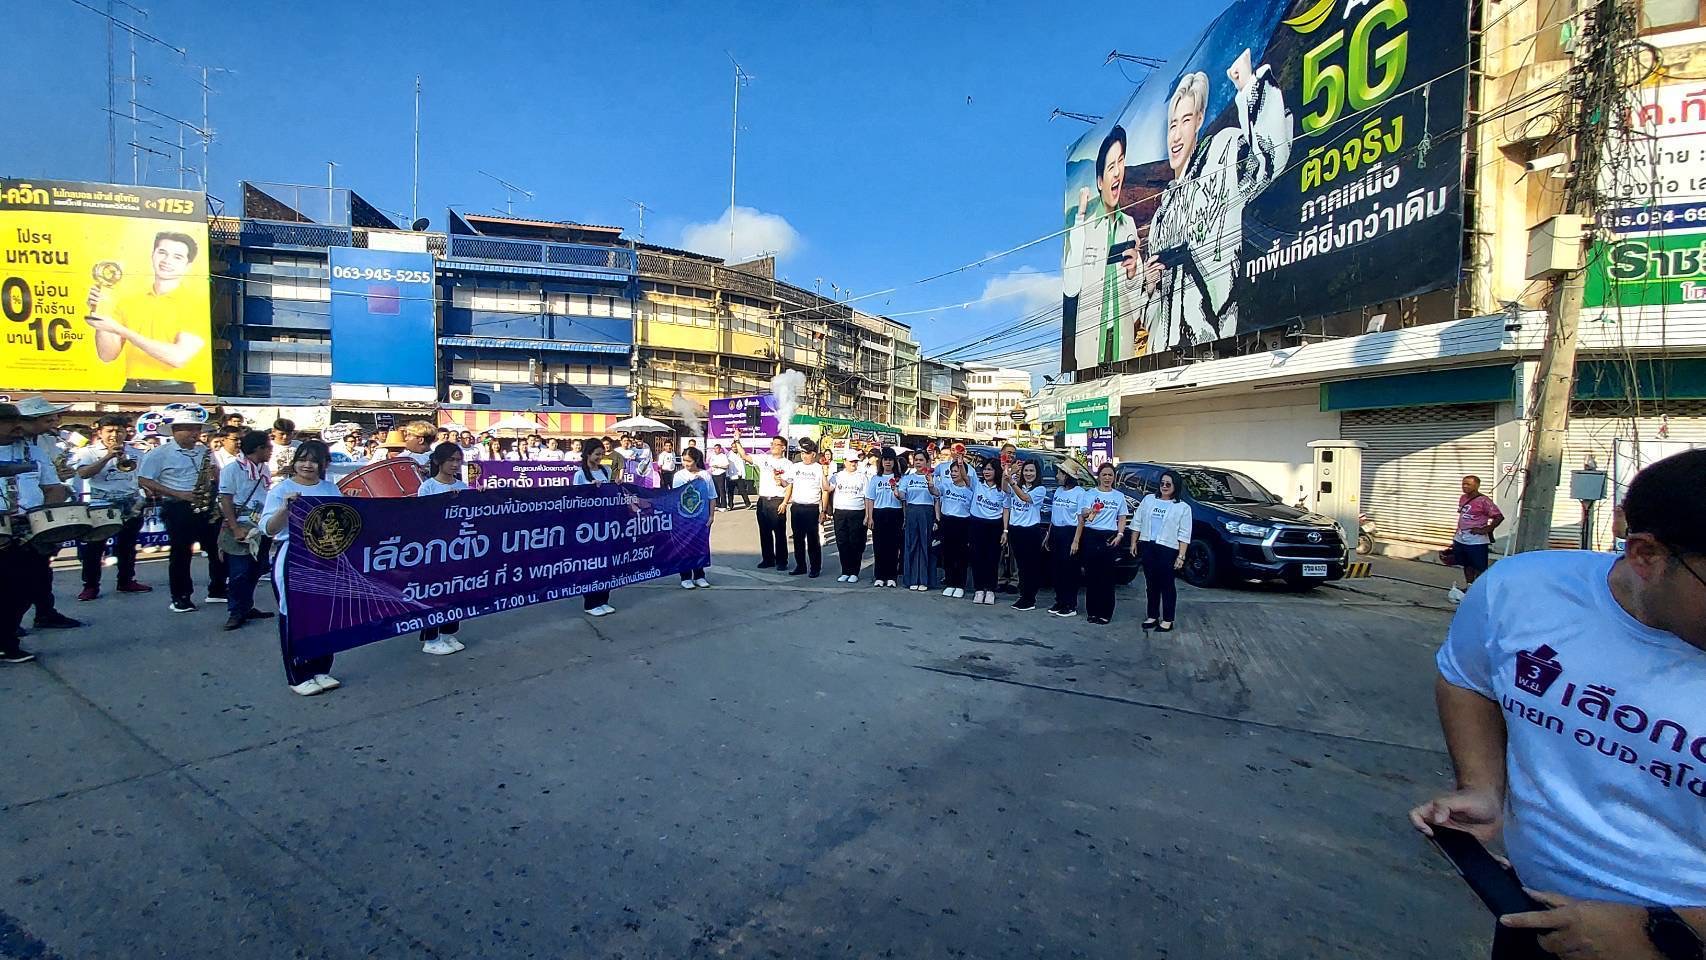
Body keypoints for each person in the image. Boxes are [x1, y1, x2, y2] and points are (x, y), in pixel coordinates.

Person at [1409, 450, 1706, 960]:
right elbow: (1466, 677)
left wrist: (1659, 933)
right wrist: (1483, 786)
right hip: (1537, 922)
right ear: (1646, 556)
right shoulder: (1522, 591)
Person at [1137, 49, 1291, 352]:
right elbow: (1146, 317)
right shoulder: (1161, 216)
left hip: (1217, 346)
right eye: (1171, 125)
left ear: (1199, 121)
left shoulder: (1221, 153)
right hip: (1163, 360)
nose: (1176, 135)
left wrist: (1248, 84)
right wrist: (1148, 284)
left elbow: (1271, 159)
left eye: (1185, 120)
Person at [260, 441, 343, 695]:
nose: (308, 465)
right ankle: (298, 674)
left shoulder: (331, 488)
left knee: (325, 614)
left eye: (315, 460)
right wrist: (286, 509)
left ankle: (321, 668)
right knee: (294, 614)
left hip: (327, 558)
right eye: (303, 459)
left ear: (324, 464)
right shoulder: (282, 489)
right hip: (294, 556)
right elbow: (268, 529)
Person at [84, 230, 209, 392]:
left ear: (188, 265)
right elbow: (107, 355)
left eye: (177, 257)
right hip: (131, 389)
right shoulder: (128, 302)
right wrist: (100, 314)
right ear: (152, 254)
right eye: (162, 252)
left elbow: (178, 358)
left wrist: (122, 331)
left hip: (176, 391)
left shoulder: (196, 305)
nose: (166, 261)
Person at [1063, 125, 1144, 365]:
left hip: (1123, 341)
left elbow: (1138, 300)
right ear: (1100, 181)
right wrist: (1080, 218)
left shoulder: (1129, 225)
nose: (1118, 172)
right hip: (1090, 343)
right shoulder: (1083, 225)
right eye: (1111, 167)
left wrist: (1132, 273)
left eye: (1121, 162)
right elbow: (1070, 287)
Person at [139, 410, 222, 613]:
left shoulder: (203, 451)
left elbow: (212, 472)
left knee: (217, 548)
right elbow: (144, 479)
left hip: (205, 503)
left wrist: (213, 481)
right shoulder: (159, 453)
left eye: (197, 429)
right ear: (175, 431)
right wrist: (179, 493)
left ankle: (218, 589)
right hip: (177, 506)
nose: (195, 433)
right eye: (190, 429)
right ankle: (181, 596)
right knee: (181, 553)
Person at [15, 399, 83, 630]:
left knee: (41, 569)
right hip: (15, 517)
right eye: (48, 420)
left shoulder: (44, 443)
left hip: (40, 513)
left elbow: (50, 481)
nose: (53, 423)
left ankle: (45, 612)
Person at [74, 414, 151, 600]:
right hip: (102, 504)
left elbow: (142, 477)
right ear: (99, 433)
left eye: (119, 431)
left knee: (127, 545)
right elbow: (84, 473)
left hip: (130, 503)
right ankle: (90, 585)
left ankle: (126, 580)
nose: (114, 435)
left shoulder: (136, 453)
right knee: (95, 547)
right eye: (109, 431)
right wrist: (108, 455)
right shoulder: (88, 452)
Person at [0, 403, 47, 662]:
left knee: (28, 587)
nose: (17, 427)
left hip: (28, 528)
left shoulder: (34, 452)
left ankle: (6, 634)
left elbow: (52, 487)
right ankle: (6, 642)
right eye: (8, 423)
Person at [216, 429, 274, 631]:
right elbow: (226, 499)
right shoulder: (232, 469)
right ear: (259, 449)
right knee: (239, 572)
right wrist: (234, 527)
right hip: (241, 523)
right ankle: (235, 611)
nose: (271, 451)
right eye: (268, 447)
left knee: (255, 570)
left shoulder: (264, 469)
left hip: (260, 525)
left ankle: (247, 606)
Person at [416, 442, 468, 655]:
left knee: (455, 591)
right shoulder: (428, 487)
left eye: (458, 460)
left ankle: (448, 631)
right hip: (435, 548)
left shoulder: (463, 487)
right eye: (451, 460)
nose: (455, 464)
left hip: (458, 547)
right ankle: (431, 637)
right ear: (439, 462)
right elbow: (424, 516)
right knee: (433, 593)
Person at [1133, 470, 1193, 631]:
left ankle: (1168, 619)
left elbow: (1184, 534)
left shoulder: (1183, 507)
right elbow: (1137, 522)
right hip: (1148, 546)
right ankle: (1152, 615)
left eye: (1168, 484)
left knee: (1167, 584)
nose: (1164, 487)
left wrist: (1181, 556)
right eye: (1162, 483)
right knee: (1151, 584)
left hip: (1168, 549)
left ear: (1176, 486)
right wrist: (1133, 543)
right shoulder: (1149, 500)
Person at [1073, 463, 1131, 625]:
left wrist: (1120, 535)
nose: (1107, 478)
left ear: (1114, 478)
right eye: (1104, 475)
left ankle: (1105, 613)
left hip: (1109, 536)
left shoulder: (1118, 496)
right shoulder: (1090, 493)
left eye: (1110, 475)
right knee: (1092, 576)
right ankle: (1092, 611)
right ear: (1099, 476)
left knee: (1107, 576)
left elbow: (1122, 517)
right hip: (1092, 535)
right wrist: (1091, 511)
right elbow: (1083, 513)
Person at [733, 435, 792, 571]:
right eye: (772, 443)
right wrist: (737, 440)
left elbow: (789, 485)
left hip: (777, 500)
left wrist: (785, 502)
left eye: (776, 444)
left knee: (779, 533)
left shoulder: (787, 464)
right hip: (763, 500)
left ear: (783, 447)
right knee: (764, 532)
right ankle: (768, 559)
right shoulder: (764, 458)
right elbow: (745, 456)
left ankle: (782, 561)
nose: (772, 446)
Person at [574, 438, 619, 617]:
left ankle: (603, 599)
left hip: (605, 521)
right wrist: (590, 490)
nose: (600, 457)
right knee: (592, 563)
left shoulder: (605, 470)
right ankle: (590, 602)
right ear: (588, 454)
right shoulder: (580, 474)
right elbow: (575, 499)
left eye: (602, 454)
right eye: (597, 454)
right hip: (588, 524)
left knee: (606, 562)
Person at [1449, 475, 1505, 604]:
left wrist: (1485, 529)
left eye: (1468, 484)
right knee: (1467, 564)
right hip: (1461, 537)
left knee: (1479, 566)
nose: (1465, 486)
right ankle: (1469, 587)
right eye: (1463, 484)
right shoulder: (1463, 498)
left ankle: (1480, 591)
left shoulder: (1484, 501)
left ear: (1476, 485)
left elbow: (1498, 517)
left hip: (1476, 540)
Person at [1004, 459, 1048, 611]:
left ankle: (1030, 598)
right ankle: (1023, 596)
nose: (1028, 474)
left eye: (1032, 471)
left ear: (1037, 473)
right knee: (1021, 566)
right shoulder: (1017, 483)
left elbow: (1025, 498)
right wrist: (1010, 473)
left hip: (1031, 531)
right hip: (1016, 530)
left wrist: (1012, 482)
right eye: (1026, 471)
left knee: (1030, 566)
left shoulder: (1040, 489)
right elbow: (1005, 488)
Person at [782, 438, 828, 578]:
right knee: (798, 539)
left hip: (812, 508)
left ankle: (815, 567)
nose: (804, 456)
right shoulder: (795, 467)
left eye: (807, 453)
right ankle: (800, 565)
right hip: (797, 507)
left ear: (813, 454)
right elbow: (786, 483)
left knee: (813, 540)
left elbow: (825, 490)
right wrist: (779, 480)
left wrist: (823, 511)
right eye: (802, 453)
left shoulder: (819, 468)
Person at [1047, 466, 1088, 618]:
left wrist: (1076, 540)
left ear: (1068, 476)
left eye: (1060, 473)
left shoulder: (1080, 493)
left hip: (1070, 532)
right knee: (1057, 569)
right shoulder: (1059, 491)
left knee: (1070, 570)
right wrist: (1049, 534)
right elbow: (1054, 514)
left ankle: (1070, 604)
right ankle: (1060, 600)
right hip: (1056, 531)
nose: (1057, 476)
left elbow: (1080, 519)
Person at [671, 447, 715, 589]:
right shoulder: (679, 476)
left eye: (688, 461)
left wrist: (711, 516)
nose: (686, 464)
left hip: (700, 518)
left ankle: (699, 575)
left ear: (696, 460)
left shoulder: (705, 475)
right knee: (684, 547)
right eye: (684, 460)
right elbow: (676, 495)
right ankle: (685, 576)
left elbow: (712, 497)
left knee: (699, 546)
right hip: (683, 518)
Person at [967, 461, 1008, 605]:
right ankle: (979, 589)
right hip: (977, 524)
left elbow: (1005, 510)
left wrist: (1005, 530)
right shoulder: (977, 484)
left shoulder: (1001, 489)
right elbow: (965, 477)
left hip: (994, 526)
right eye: (984, 469)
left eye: (990, 469)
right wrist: (960, 462)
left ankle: (990, 590)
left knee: (992, 559)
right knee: (977, 558)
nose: (986, 472)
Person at [865, 447, 905, 588]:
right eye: (885, 460)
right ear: (881, 462)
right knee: (879, 546)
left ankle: (891, 576)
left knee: (893, 546)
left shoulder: (900, 479)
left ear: (894, 462)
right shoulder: (876, 479)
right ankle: (880, 576)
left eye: (890, 460)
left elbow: (904, 499)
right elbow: (870, 499)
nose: (888, 463)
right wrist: (870, 517)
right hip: (879, 513)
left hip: (895, 513)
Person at [899, 451, 938, 591]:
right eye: (916, 460)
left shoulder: (932, 478)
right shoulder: (907, 478)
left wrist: (936, 519)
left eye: (921, 460)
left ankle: (925, 580)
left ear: (927, 461)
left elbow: (937, 497)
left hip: (927, 512)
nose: (918, 462)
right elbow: (902, 495)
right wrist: (897, 492)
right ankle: (912, 579)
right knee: (912, 545)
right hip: (912, 512)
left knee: (926, 546)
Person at [831, 453, 870, 583]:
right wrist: (822, 473)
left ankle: (854, 571)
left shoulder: (862, 477)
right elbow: (827, 488)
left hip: (857, 511)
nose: (853, 464)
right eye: (851, 461)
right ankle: (845, 571)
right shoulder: (837, 476)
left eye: (855, 462)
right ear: (845, 462)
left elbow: (867, 497)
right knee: (842, 542)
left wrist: (867, 515)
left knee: (856, 542)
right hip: (840, 512)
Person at [709, 444, 732, 511]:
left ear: (720, 449)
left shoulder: (723, 456)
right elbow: (711, 465)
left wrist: (718, 466)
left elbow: (726, 466)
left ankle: (723, 505)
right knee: (716, 490)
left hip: (721, 474)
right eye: (714, 448)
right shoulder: (713, 456)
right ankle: (717, 504)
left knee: (722, 490)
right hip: (714, 474)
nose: (715, 450)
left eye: (717, 448)